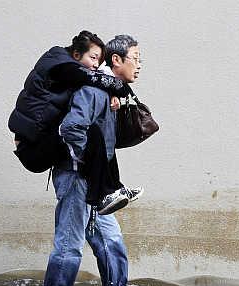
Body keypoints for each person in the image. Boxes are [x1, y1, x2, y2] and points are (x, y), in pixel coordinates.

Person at [42, 35, 143, 286]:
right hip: (77, 176)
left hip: (95, 183)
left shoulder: (109, 91)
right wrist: (86, 167)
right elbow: (72, 128)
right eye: (136, 58)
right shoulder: (94, 90)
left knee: (111, 241)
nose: (139, 65)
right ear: (117, 60)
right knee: (69, 245)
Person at [9, 30, 142, 215]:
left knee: (97, 134)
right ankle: (104, 193)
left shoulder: (73, 74)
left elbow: (87, 78)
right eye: (93, 57)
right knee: (93, 134)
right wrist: (116, 86)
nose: (95, 65)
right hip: (32, 146)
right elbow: (85, 77)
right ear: (77, 54)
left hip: (44, 140)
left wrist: (112, 92)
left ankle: (112, 189)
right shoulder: (58, 63)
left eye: (99, 61)